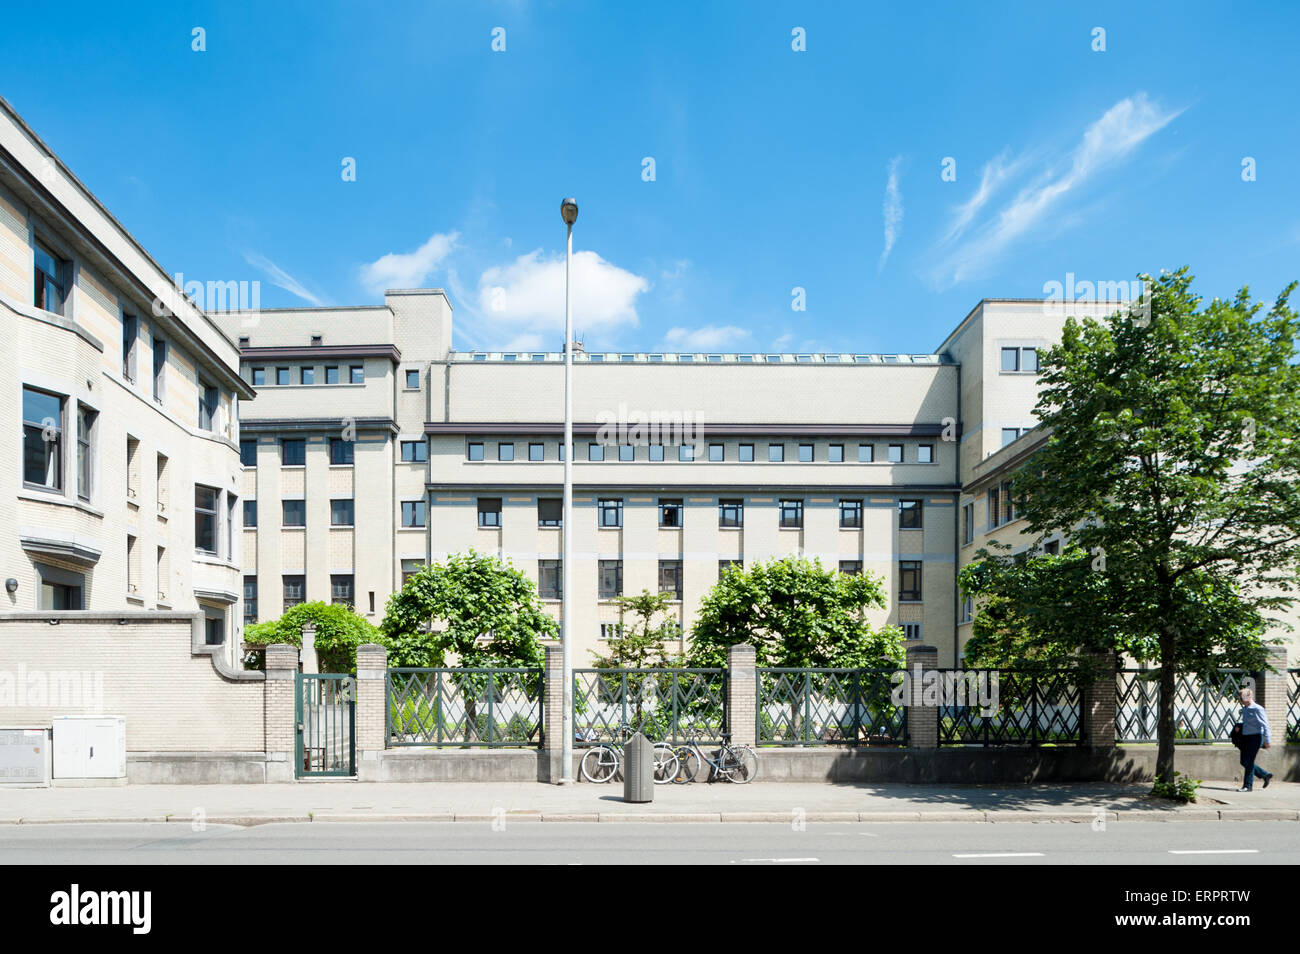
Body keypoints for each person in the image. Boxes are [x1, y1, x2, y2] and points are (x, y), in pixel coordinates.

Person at [1236, 687, 1273, 792]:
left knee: (1249, 761)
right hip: (1246, 737)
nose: (1241, 700)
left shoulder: (1258, 709)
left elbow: (1265, 724)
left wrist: (1267, 739)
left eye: (1243, 698)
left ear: (1249, 697)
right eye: (1241, 698)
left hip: (1256, 737)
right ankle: (1264, 775)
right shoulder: (1245, 709)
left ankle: (1247, 786)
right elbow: (1248, 723)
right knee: (1244, 761)